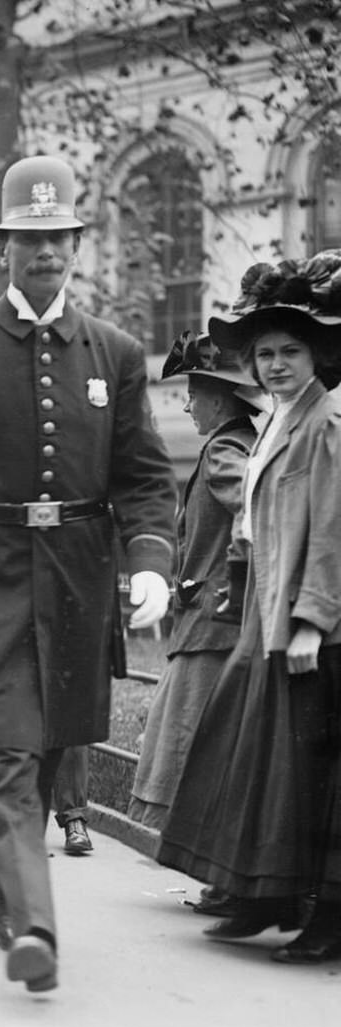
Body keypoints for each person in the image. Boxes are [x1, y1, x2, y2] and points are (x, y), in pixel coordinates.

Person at [0, 156, 175, 993]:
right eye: (31, 239)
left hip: (78, 579)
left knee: (47, 752)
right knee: (7, 755)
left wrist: (151, 560)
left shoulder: (113, 354)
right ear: (2, 247)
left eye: (61, 239)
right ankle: (34, 924)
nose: (48, 253)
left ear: (77, 245)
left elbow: (146, 476)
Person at [158, 255, 341, 964]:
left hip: (309, 628)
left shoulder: (327, 422)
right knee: (263, 765)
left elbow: (329, 525)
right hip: (264, 613)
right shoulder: (277, 425)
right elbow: (256, 522)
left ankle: (323, 919)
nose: (274, 365)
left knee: (317, 785)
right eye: (263, 354)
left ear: (317, 353)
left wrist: (314, 618)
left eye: (289, 351)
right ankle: (258, 894)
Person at [129, 332, 262, 833]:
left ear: (220, 398)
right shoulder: (242, 443)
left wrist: (223, 575)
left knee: (189, 741)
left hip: (213, 624)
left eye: (193, 394)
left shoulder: (227, 449)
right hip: (214, 619)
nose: (186, 405)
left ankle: (201, 851)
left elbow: (252, 508)